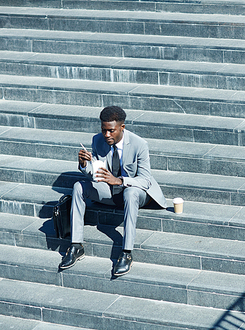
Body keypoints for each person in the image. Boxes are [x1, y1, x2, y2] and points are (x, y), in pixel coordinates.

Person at [59, 106, 167, 276]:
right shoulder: (98, 140)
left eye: (111, 131)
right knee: (79, 186)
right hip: (110, 191)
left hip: (136, 192)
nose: (107, 135)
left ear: (122, 128)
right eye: (104, 130)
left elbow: (145, 180)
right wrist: (84, 164)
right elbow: (96, 175)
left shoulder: (139, 144)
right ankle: (76, 246)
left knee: (130, 193)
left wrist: (120, 180)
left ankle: (126, 253)